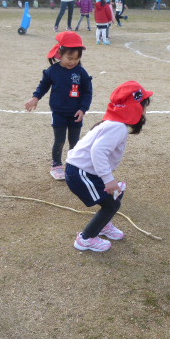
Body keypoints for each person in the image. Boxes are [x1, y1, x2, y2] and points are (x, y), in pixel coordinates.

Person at [65, 80, 153, 252]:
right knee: (112, 205)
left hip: (88, 172)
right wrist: (108, 179)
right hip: (80, 173)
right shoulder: (117, 127)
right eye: (143, 105)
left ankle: (103, 225)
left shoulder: (115, 124)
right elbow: (98, 152)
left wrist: (110, 181)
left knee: (115, 195)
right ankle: (86, 239)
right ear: (134, 107)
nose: (145, 110)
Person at [25, 32, 93, 180]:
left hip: (76, 113)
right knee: (60, 139)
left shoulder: (81, 73)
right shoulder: (52, 71)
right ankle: (56, 165)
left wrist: (83, 109)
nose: (72, 62)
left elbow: (88, 92)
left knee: (75, 141)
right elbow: (43, 86)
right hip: (59, 112)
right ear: (60, 53)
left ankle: (73, 165)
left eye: (76, 59)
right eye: (69, 58)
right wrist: (35, 98)